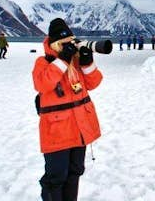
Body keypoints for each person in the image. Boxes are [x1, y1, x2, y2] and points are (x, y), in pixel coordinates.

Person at [33, 18, 103, 201]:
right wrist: (63, 60)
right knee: (56, 178)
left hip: (80, 129)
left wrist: (87, 62)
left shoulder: (76, 62)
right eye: (64, 43)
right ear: (55, 44)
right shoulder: (43, 62)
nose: (69, 46)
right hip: (57, 132)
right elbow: (42, 84)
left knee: (74, 172)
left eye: (70, 42)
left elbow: (94, 83)